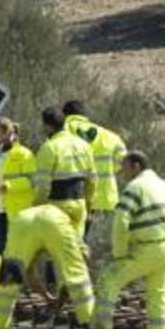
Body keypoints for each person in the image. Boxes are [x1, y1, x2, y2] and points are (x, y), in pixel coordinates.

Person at [90, 151, 165, 329]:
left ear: (136, 165)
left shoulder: (135, 188)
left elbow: (120, 223)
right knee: (159, 295)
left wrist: (120, 253)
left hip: (149, 248)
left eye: (124, 167)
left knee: (108, 279)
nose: (121, 172)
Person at [0, 204, 94, 329]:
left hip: (22, 220)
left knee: (9, 276)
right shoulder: (71, 228)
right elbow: (82, 259)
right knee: (77, 273)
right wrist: (62, 292)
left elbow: (28, 274)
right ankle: (90, 323)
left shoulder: (32, 227)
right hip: (53, 220)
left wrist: (48, 297)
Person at [62, 100, 127, 237]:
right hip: (101, 200)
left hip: (69, 196)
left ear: (64, 114)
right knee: (91, 245)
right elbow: (124, 165)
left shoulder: (61, 131)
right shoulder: (111, 137)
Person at [34, 106, 95, 238]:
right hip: (79, 204)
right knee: (76, 248)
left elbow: (43, 187)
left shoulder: (49, 148)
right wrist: (89, 206)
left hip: (57, 206)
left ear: (48, 126)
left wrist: (36, 207)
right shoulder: (83, 145)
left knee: (55, 250)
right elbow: (92, 180)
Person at [0, 117, 38, 253]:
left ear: (7, 133)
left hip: (16, 210)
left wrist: (9, 186)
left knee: (18, 251)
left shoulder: (24, 154)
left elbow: (32, 180)